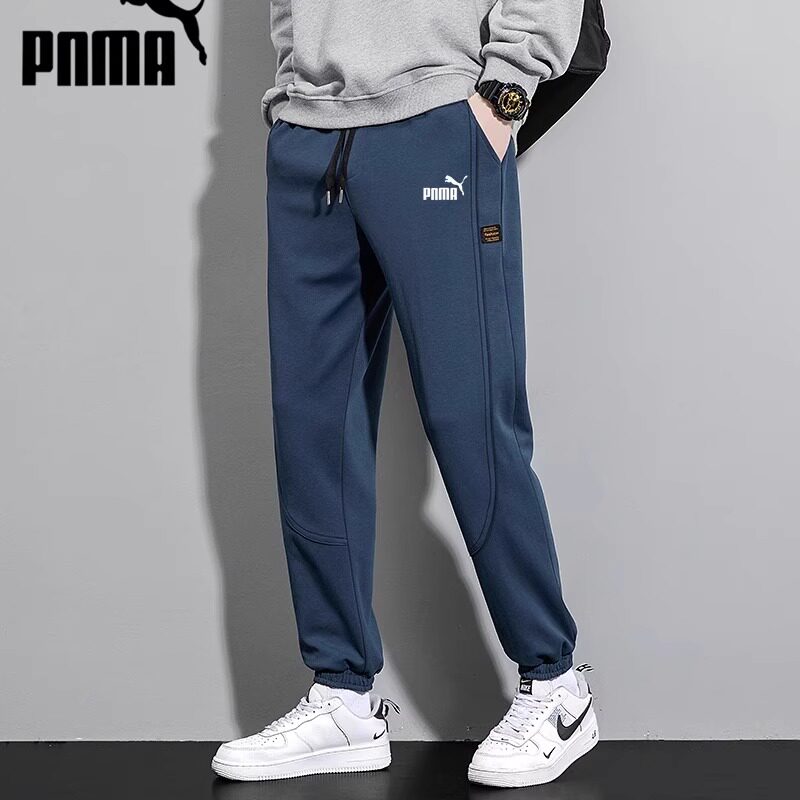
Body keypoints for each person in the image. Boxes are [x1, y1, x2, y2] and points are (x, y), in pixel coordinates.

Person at [212, 0, 599, 788]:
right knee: (312, 424)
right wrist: (296, 87)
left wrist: (502, 98)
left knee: (469, 415)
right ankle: (342, 694)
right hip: (310, 133)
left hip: (440, 121)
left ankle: (556, 686)